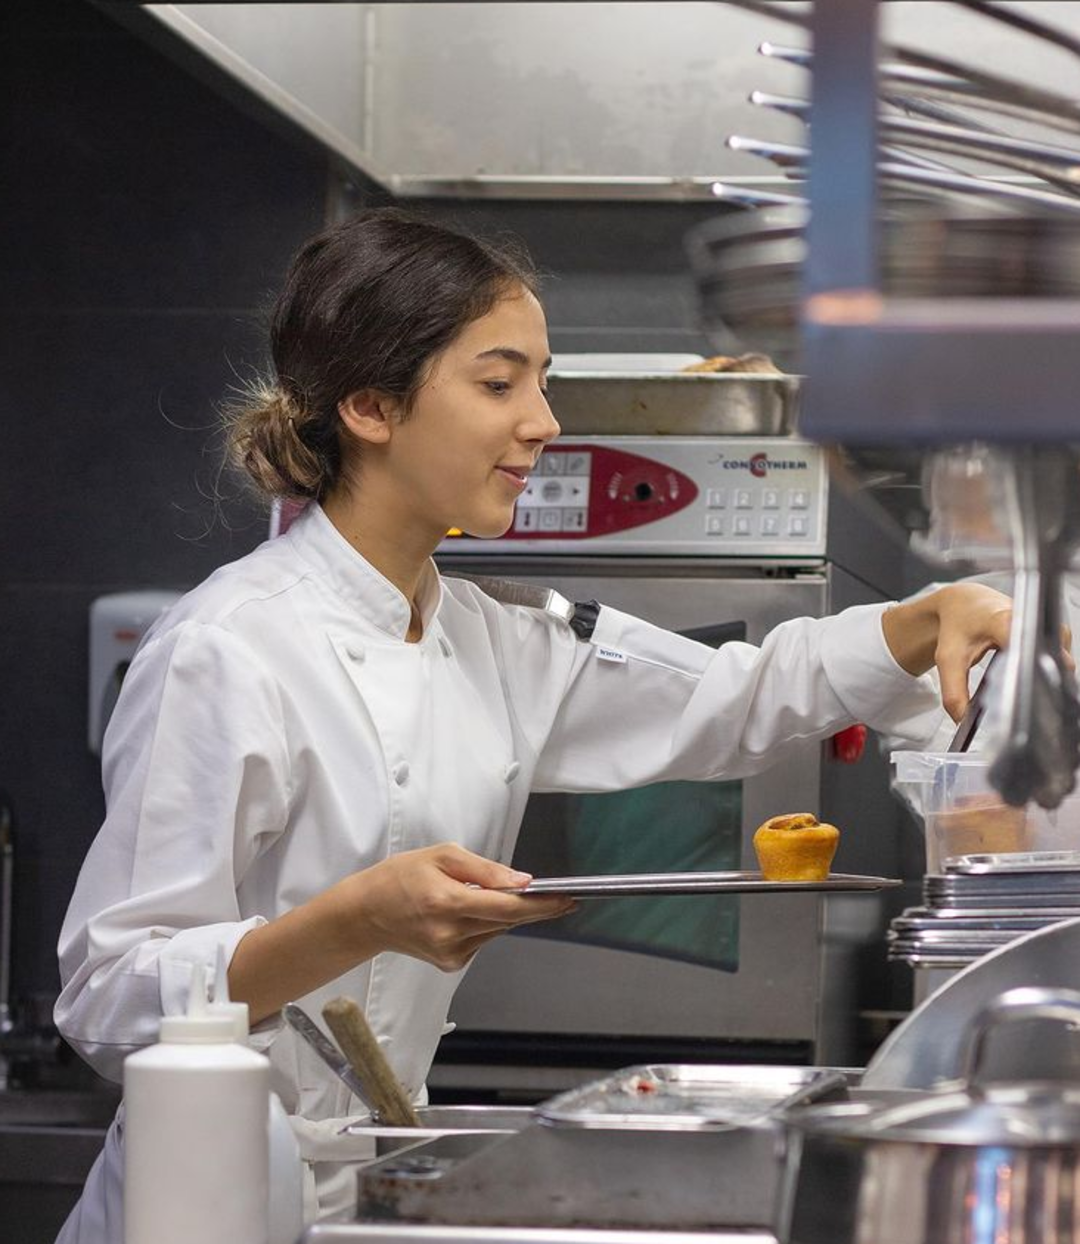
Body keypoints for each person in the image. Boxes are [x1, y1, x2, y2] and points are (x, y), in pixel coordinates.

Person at [54, 207, 1014, 1241]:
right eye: (500, 382)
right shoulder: (227, 646)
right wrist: (353, 919)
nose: (545, 420)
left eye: (541, 381)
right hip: (198, 1205)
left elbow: (730, 695)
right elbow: (110, 996)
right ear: (372, 405)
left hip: (366, 1192)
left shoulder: (490, 633)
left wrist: (921, 622)